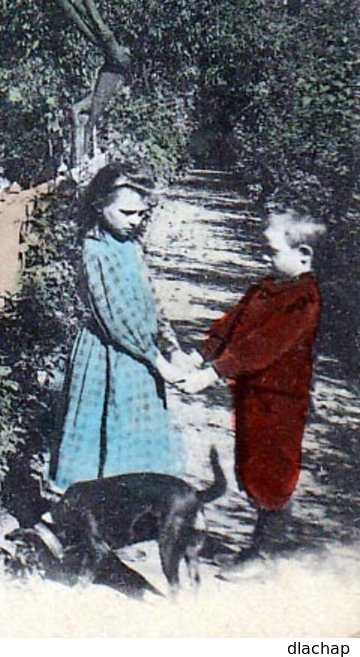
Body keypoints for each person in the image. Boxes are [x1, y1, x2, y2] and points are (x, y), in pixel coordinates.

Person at [179, 211, 325, 563]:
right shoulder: (265, 288)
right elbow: (233, 325)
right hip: (253, 396)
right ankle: (265, 541)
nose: (264, 258)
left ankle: (264, 552)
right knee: (250, 463)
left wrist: (215, 373)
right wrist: (202, 353)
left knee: (272, 470)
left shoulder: (304, 299)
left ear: (303, 254)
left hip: (281, 400)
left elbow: (262, 345)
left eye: (272, 251)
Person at [50, 165, 188, 490]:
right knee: (99, 428)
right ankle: (84, 511)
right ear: (99, 206)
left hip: (140, 357)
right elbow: (117, 320)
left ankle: (129, 508)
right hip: (106, 356)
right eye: (126, 212)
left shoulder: (131, 247)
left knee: (135, 429)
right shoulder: (94, 250)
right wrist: (158, 362)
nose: (134, 221)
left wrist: (171, 347)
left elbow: (150, 302)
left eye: (141, 214)